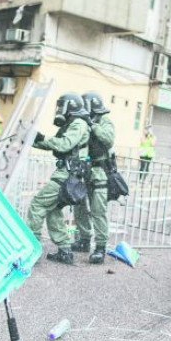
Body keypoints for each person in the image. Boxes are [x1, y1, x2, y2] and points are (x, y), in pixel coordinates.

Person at [26, 93, 90, 265]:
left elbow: (64, 144)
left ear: (71, 106)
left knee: (38, 204)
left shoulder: (78, 123)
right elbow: (56, 143)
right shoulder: (74, 123)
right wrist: (34, 139)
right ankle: (65, 251)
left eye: (62, 106)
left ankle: (32, 249)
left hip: (67, 175)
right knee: (53, 210)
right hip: (67, 174)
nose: (59, 110)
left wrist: (42, 139)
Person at [71, 92, 115, 264]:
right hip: (84, 171)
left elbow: (108, 139)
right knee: (79, 207)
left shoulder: (104, 122)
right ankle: (84, 239)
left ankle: (100, 247)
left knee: (98, 211)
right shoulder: (83, 123)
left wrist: (93, 125)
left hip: (99, 172)